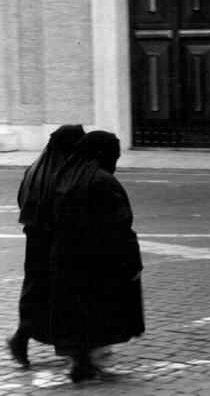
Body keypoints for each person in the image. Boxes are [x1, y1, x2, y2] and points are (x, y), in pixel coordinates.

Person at [43, 131, 144, 382]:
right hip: (99, 262)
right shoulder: (103, 181)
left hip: (64, 260)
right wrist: (132, 262)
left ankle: (81, 360)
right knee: (99, 311)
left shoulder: (61, 176)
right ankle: (90, 360)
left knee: (76, 314)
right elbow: (120, 226)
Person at [6, 125, 86, 367]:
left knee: (37, 294)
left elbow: (23, 201)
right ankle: (76, 352)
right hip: (56, 244)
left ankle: (23, 339)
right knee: (62, 295)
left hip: (36, 243)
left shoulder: (35, 169)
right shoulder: (63, 173)